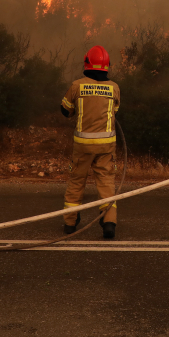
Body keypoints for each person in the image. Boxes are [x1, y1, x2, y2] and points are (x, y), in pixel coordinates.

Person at [60, 45, 121, 239]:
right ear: (107, 66)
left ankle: (69, 223)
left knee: (77, 182)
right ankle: (109, 222)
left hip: (83, 146)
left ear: (86, 63)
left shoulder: (77, 85)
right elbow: (115, 112)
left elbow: (65, 110)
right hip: (106, 147)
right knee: (106, 182)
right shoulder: (114, 88)